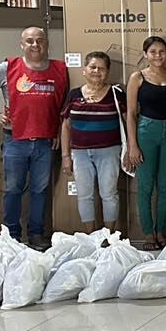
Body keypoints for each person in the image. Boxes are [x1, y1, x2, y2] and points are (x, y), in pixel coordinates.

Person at [0, 26, 67, 246]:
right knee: (13, 189)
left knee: (40, 190)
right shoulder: (7, 68)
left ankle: (35, 234)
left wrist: (58, 130)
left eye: (40, 40)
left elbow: (63, 106)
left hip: (45, 140)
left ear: (47, 43)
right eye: (30, 41)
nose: (35, 45)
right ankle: (11, 235)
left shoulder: (60, 69)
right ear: (22, 44)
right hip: (15, 139)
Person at [124, 36, 166, 247]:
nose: (158, 55)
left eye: (162, 51)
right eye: (153, 52)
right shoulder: (137, 77)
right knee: (146, 185)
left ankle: (160, 231)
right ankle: (148, 233)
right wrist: (132, 145)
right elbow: (131, 113)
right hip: (146, 132)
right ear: (145, 54)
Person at [59, 52, 126, 232]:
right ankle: (91, 236)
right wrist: (66, 156)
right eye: (93, 67)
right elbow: (66, 125)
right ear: (84, 70)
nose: (97, 71)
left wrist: (131, 148)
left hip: (109, 151)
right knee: (84, 195)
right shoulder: (74, 94)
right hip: (80, 153)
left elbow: (129, 121)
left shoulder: (117, 93)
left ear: (108, 72)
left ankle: (108, 237)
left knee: (109, 194)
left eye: (102, 68)